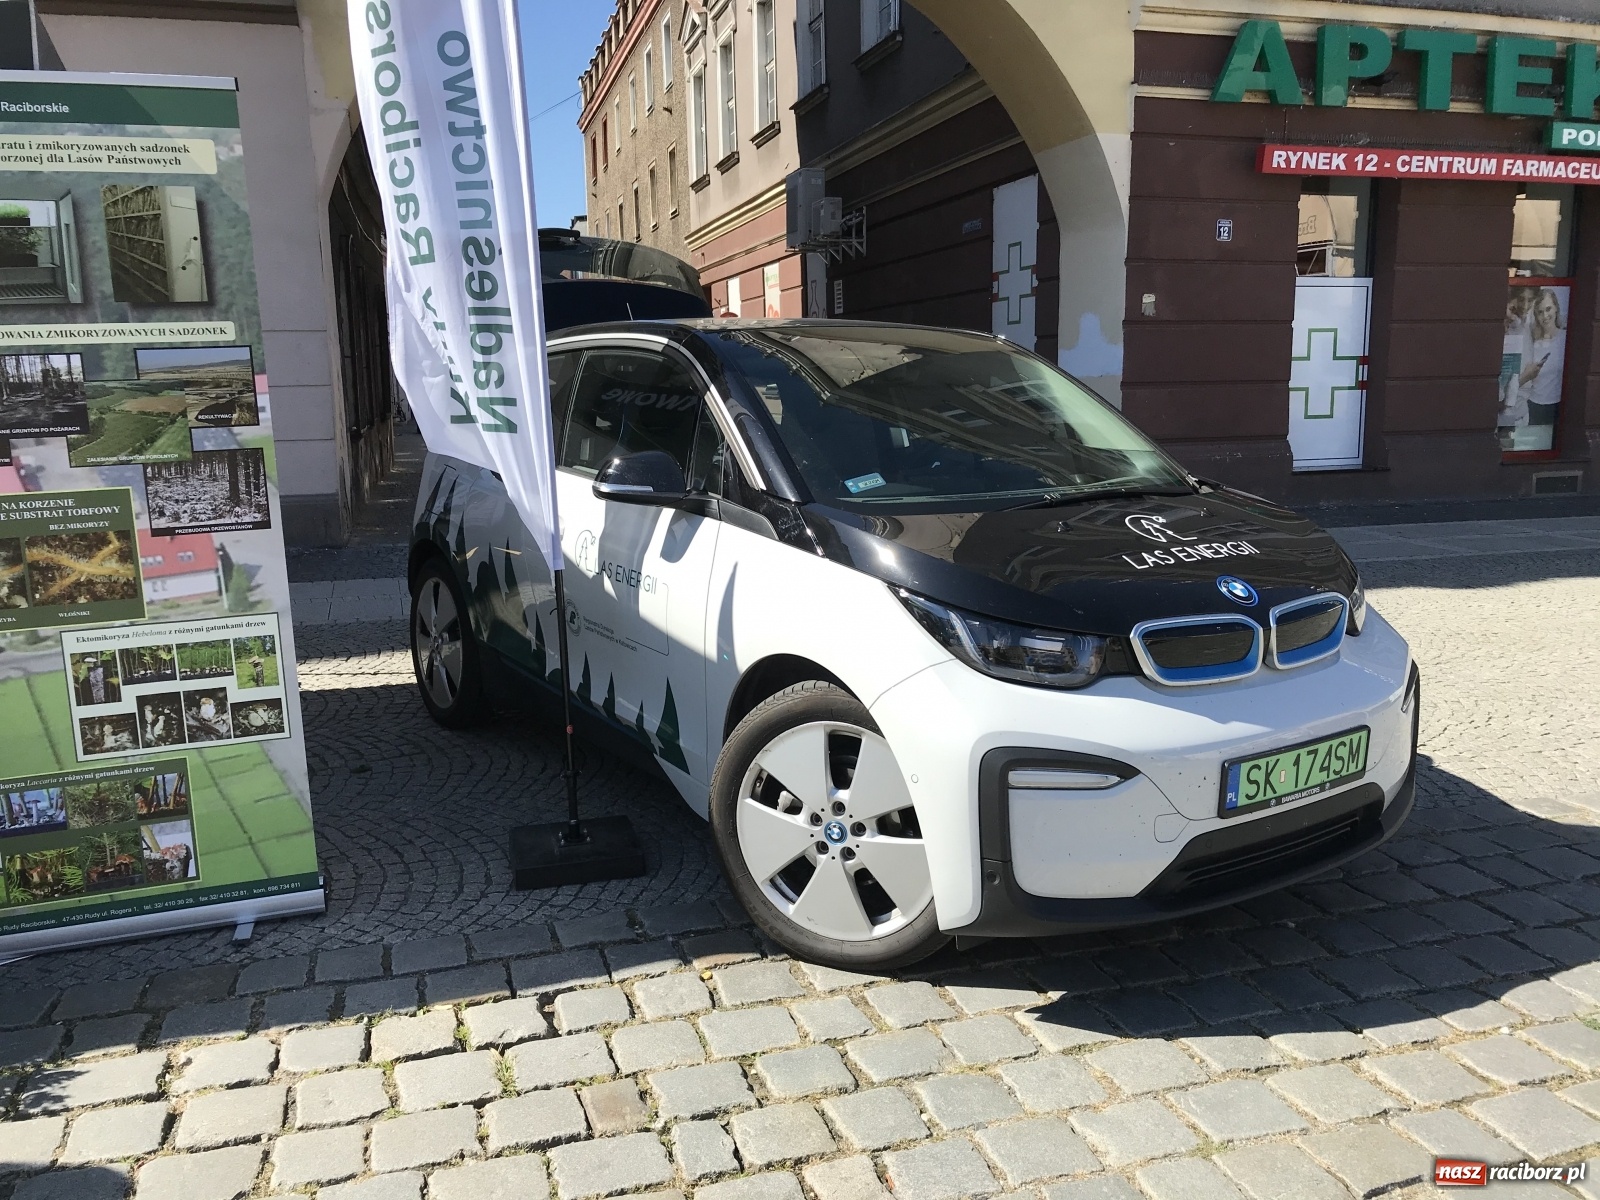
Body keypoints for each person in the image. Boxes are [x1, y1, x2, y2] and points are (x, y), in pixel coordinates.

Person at [1519, 287, 1567, 438]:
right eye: (1540, 312)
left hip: (1558, 405)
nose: (1545, 316)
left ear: (1556, 309)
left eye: (1548, 309)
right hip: (1535, 406)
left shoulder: (1565, 339)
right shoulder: (1533, 341)